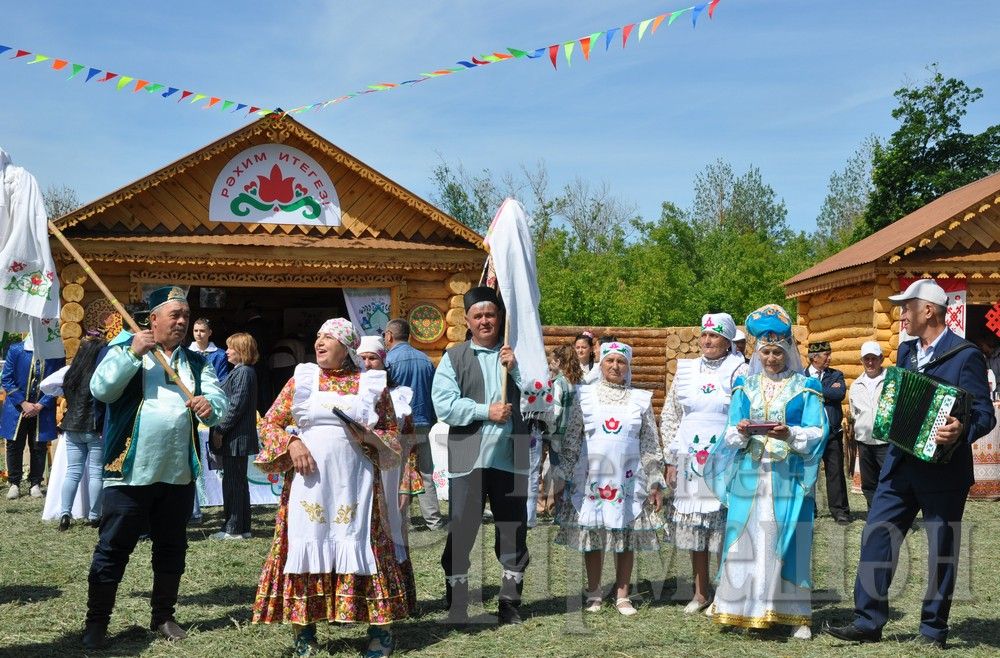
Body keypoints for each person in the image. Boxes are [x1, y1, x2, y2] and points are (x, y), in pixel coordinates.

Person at [825, 280, 995, 649]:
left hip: (943, 471)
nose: (901, 314)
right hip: (899, 465)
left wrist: (961, 428)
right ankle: (868, 621)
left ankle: (933, 629)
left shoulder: (965, 356)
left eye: (907, 307)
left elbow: (984, 414)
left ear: (928, 311)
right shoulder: (904, 351)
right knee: (877, 538)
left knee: (941, 549)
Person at [252, 318, 411, 658]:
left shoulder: (370, 384)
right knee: (305, 549)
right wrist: (292, 443)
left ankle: (380, 633)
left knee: (365, 549)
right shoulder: (302, 379)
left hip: (356, 484)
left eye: (329, 337)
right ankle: (304, 634)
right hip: (309, 486)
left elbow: (392, 436)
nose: (320, 341)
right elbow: (269, 423)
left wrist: (368, 436)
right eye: (319, 336)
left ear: (348, 347)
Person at [83, 286, 227, 650]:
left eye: (186, 316)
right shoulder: (123, 349)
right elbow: (101, 390)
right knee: (113, 547)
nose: (182, 321)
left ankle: (162, 615)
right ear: (153, 319)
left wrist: (211, 406)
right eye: (175, 315)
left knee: (171, 547)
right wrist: (132, 354)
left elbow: (219, 399)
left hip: (176, 472)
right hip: (129, 470)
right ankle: (97, 622)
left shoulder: (196, 362)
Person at [705, 304, 828, 640]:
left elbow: (819, 430)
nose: (772, 358)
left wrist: (790, 433)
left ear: (788, 350)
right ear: (758, 353)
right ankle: (736, 607)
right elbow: (730, 430)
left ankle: (793, 614)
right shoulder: (746, 386)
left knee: (785, 537)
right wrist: (742, 430)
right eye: (766, 352)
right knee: (744, 537)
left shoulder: (806, 388)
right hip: (751, 470)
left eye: (777, 351)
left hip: (788, 473)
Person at [432, 287, 530, 625]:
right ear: (468, 321)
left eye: (490, 315)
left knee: (512, 529)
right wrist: (485, 411)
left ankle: (509, 602)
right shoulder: (454, 358)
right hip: (467, 457)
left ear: (499, 318)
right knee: (461, 529)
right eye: (478, 316)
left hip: (511, 455)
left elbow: (540, 396)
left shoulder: (517, 356)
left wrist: (516, 369)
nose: (485, 320)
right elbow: (443, 404)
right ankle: (458, 599)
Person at [554, 340, 665, 616]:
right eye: (609, 361)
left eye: (621, 361)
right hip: (590, 475)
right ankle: (593, 593)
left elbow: (650, 443)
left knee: (624, 535)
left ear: (628, 366)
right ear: (601, 364)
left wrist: (654, 481)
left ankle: (623, 595)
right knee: (593, 535)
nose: (615, 366)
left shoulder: (641, 399)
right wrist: (561, 477)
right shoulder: (584, 395)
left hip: (627, 478)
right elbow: (571, 439)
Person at [660, 313, 746, 614]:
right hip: (689, 455)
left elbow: (744, 413)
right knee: (695, 523)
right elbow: (671, 415)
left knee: (723, 525)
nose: (708, 340)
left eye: (715, 336)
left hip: (725, 456)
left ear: (727, 340)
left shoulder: (740, 369)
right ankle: (700, 591)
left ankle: (724, 592)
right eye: (705, 335)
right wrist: (671, 459)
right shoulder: (685, 371)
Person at [358, 334, 421, 606]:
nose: (368, 364)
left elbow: (408, 443)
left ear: (383, 361)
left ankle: (401, 600)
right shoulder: (352, 394)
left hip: (391, 475)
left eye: (373, 358)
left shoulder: (399, 396)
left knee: (395, 535)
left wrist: (407, 481)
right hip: (360, 476)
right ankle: (362, 601)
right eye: (363, 359)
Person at [383, 318, 444, 531]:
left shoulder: (388, 361)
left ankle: (400, 520)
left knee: (398, 472)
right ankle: (434, 520)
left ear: (389, 335)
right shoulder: (426, 360)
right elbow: (435, 393)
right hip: (423, 421)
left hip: (398, 424)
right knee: (426, 470)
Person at [209, 332, 259, 540]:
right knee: (235, 482)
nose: (227, 351)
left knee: (234, 483)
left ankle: (234, 528)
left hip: (236, 437)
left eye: (231, 348)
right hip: (235, 436)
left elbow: (236, 405)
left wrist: (221, 429)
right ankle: (240, 526)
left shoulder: (244, 372)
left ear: (241, 351)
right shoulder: (240, 372)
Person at [54, 335, 108, 529]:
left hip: (72, 426)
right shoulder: (99, 373)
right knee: (95, 474)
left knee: (72, 473)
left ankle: (65, 513)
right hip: (93, 427)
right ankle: (94, 516)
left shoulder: (71, 373)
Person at [1, 336, 64, 500]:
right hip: (17, 408)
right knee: (15, 445)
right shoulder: (16, 350)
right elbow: (6, 379)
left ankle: (35, 482)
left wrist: (40, 405)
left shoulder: (56, 352)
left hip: (41, 410)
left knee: (38, 446)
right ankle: (14, 482)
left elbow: (59, 381)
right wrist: (23, 403)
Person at [805, 340, 851, 525]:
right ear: (814, 357)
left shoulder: (836, 375)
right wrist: (825, 391)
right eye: (826, 355)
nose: (829, 358)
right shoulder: (801, 375)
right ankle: (809, 508)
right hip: (808, 433)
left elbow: (838, 395)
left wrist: (813, 389)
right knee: (808, 472)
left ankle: (839, 510)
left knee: (835, 472)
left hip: (831, 432)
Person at [536, 345, 583, 518]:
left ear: (559, 362)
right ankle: (566, 508)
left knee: (554, 472)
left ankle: (555, 510)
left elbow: (555, 412)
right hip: (573, 435)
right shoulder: (579, 382)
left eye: (552, 361)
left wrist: (546, 427)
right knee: (569, 471)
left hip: (555, 435)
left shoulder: (558, 383)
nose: (550, 364)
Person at [847, 341, 888, 511]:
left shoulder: (890, 381)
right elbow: (854, 412)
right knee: (869, 483)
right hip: (864, 441)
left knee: (889, 481)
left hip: (885, 442)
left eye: (874, 358)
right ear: (861, 361)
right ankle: (874, 515)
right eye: (866, 359)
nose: (870, 363)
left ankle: (891, 517)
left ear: (881, 359)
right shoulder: (856, 386)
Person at [188, 317, 231, 384]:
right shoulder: (186, 352)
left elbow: (222, 379)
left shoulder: (220, 354)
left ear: (210, 332)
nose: (198, 334)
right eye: (195, 330)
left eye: (202, 331)